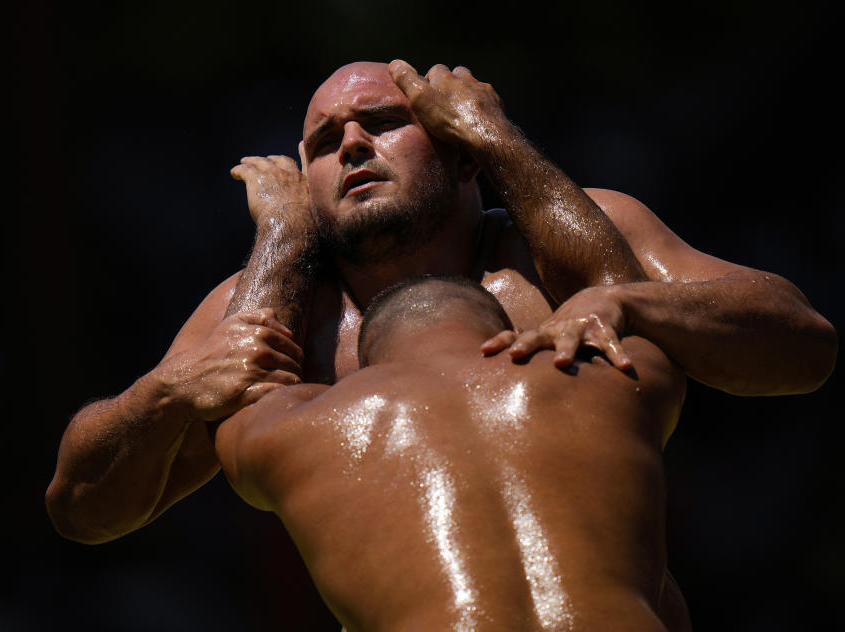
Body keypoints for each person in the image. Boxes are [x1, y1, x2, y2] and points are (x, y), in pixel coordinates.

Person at [46, 59, 835, 552]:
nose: (352, 144)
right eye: (324, 143)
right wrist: (163, 392)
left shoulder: (569, 245)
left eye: (382, 123)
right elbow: (84, 510)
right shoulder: (281, 316)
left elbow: (803, 346)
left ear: (459, 147)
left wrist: (633, 302)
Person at [217, 275, 689, 632]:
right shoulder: (627, 370)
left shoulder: (295, 426)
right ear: (513, 332)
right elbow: (616, 280)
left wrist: (284, 227)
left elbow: (233, 375)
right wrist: (614, 301)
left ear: (370, 363)